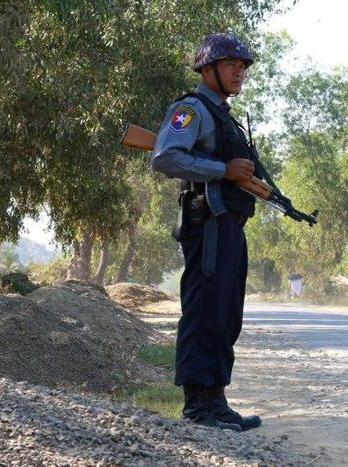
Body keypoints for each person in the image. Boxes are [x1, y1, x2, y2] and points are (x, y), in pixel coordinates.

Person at [151, 32, 261, 432]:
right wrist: (222, 171)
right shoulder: (191, 110)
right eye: (231, 64)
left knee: (226, 315)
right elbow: (165, 157)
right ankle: (196, 406)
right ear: (208, 69)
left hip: (230, 226)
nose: (239, 72)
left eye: (243, 66)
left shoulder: (224, 116)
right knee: (203, 314)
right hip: (208, 227)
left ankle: (216, 400)